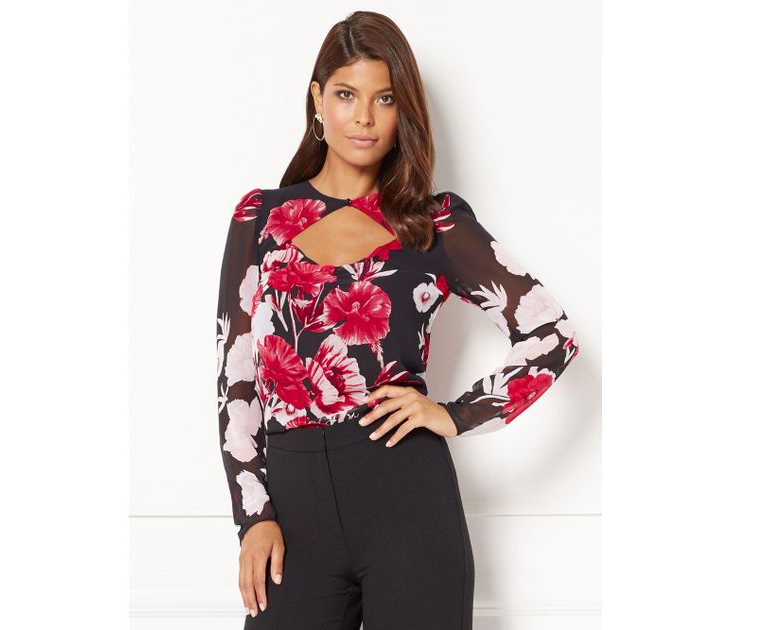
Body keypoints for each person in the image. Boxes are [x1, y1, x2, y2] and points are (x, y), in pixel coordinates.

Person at [215, 11, 580, 629]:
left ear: (403, 111)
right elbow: (237, 377)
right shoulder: (262, 219)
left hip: (408, 501)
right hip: (293, 514)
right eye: (346, 95)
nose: (364, 116)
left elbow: (551, 335)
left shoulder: (432, 223)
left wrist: (456, 414)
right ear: (317, 100)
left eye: (384, 99)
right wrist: (253, 518)